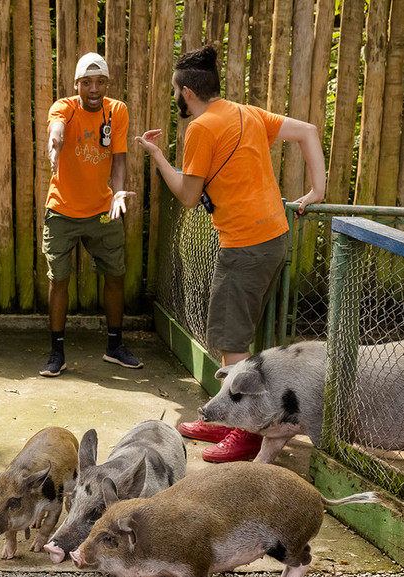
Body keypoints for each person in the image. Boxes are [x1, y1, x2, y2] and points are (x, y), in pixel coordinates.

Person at [134, 45, 325, 463]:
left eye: (175, 91)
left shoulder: (200, 129)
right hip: (270, 236)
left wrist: (159, 158)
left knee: (232, 342)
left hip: (245, 245)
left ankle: (245, 432)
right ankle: (224, 417)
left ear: (186, 92)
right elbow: (310, 130)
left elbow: (187, 195)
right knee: (230, 335)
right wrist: (317, 191)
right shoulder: (247, 113)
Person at [41, 52, 140, 378]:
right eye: (87, 82)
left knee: (115, 275)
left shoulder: (117, 110)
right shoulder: (65, 107)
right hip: (62, 211)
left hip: (103, 210)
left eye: (99, 82)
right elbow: (56, 128)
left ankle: (114, 346)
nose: (93, 88)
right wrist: (55, 143)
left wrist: (119, 191)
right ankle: (57, 353)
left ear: (107, 84)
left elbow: (120, 156)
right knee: (59, 279)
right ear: (77, 85)